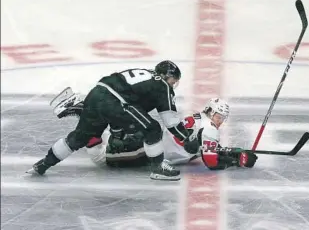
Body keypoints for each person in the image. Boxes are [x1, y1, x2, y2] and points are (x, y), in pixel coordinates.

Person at [26, 61, 200, 181]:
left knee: (79, 138)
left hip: (97, 93)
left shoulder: (146, 76)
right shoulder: (162, 85)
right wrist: (186, 140)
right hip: (115, 101)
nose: (173, 84)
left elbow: (130, 104)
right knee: (153, 128)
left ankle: (43, 164)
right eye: (173, 80)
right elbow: (170, 121)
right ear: (166, 77)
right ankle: (158, 169)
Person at [51, 92, 258, 171]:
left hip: (148, 140)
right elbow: (210, 161)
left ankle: (87, 109)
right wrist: (236, 160)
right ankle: (83, 111)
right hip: (148, 150)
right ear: (213, 113)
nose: (220, 121)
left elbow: (202, 148)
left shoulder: (197, 117)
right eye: (220, 117)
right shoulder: (210, 128)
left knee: (106, 139)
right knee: (101, 158)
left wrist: (233, 151)